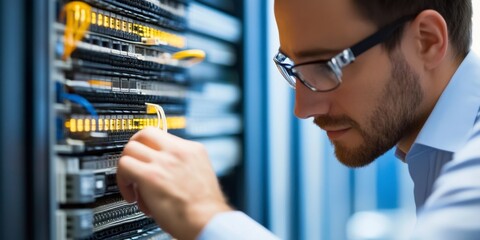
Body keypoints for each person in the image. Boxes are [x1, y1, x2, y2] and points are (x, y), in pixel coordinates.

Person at [116, 0, 480, 239]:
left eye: (325, 66)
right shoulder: (436, 157)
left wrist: (204, 215)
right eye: (292, 67)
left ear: (427, 41)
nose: (303, 108)